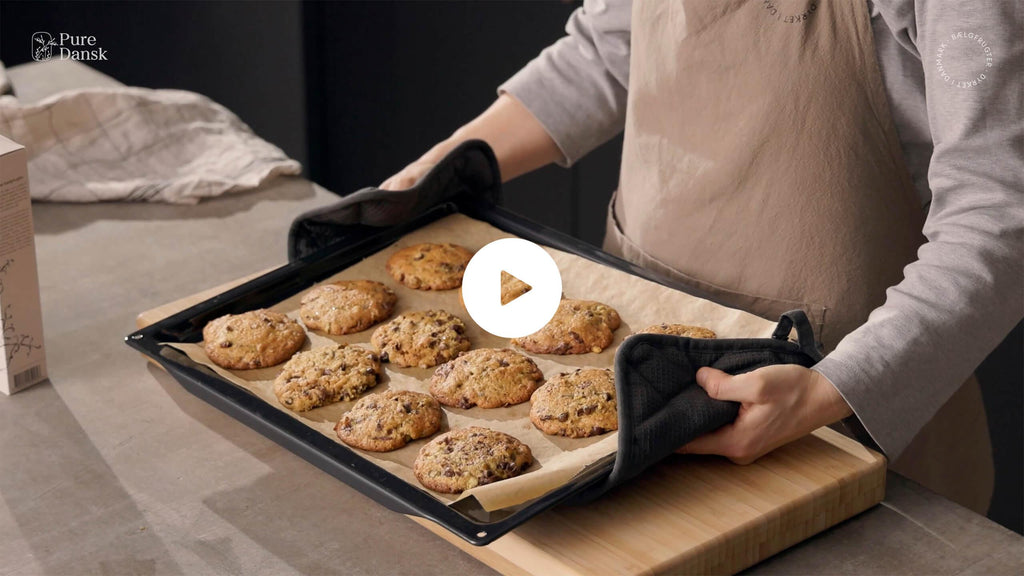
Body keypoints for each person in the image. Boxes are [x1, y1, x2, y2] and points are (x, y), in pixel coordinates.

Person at [380, 0, 1022, 513]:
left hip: (834, 413)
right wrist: (433, 175)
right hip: (622, 374)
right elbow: (607, 50)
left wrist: (831, 390)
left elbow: (997, 216)